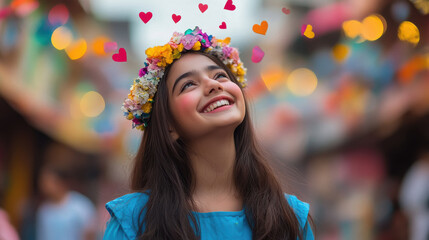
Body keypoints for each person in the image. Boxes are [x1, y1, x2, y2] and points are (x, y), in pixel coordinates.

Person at [103, 26, 314, 240]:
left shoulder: (290, 217)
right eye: (188, 84)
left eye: (220, 75)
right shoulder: (133, 221)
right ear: (168, 125)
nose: (213, 84)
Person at [36, 164, 96, 240]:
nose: (43, 185)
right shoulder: (44, 209)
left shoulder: (81, 206)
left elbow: (90, 234)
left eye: (48, 181)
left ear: (60, 182)